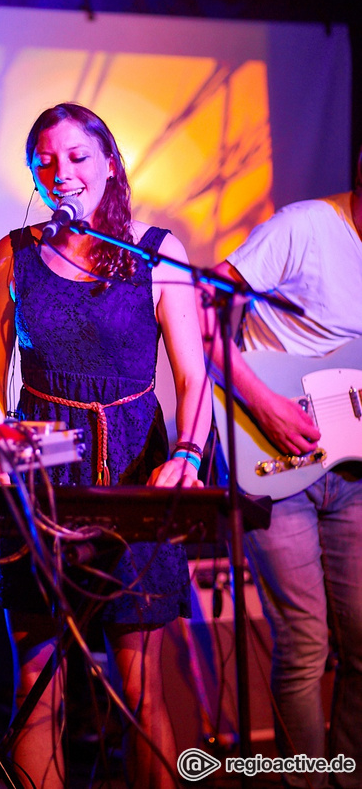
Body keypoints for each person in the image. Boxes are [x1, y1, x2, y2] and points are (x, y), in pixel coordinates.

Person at [0, 102, 211, 789]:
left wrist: (187, 457)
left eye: (76, 156)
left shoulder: (157, 252)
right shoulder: (13, 253)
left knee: (141, 692)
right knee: (35, 683)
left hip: (134, 475)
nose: (61, 172)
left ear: (110, 162)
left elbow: (194, 379)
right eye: (44, 160)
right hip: (41, 477)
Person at [199, 145, 362, 788]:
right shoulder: (304, 228)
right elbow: (204, 314)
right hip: (272, 461)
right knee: (305, 645)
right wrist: (262, 405)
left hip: (352, 473)